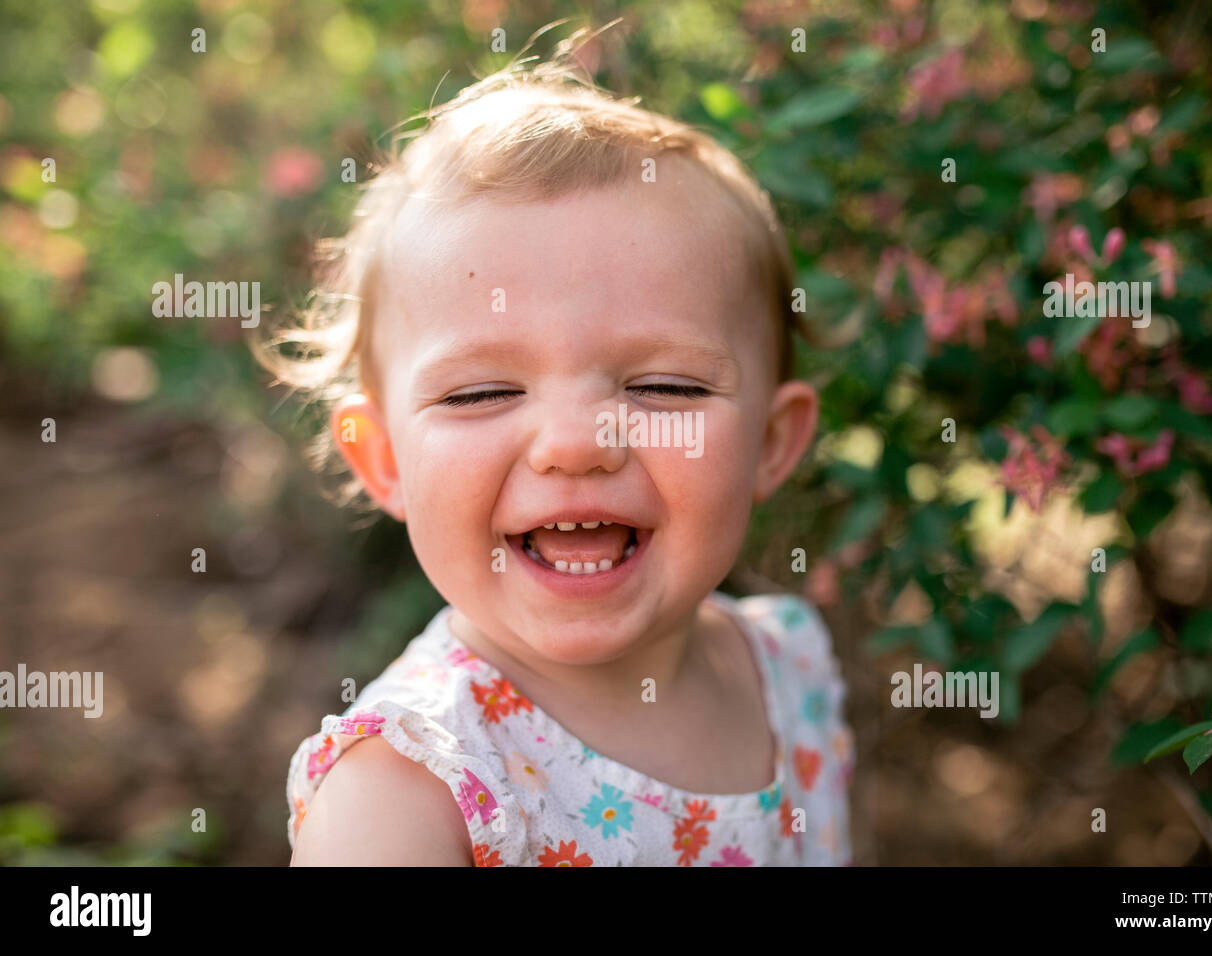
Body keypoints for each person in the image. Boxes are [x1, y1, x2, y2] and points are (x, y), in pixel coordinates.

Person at [264, 32, 854, 866]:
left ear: (770, 441)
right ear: (385, 460)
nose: (577, 444)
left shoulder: (787, 667)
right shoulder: (405, 796)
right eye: (481, 393)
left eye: (666, 388)